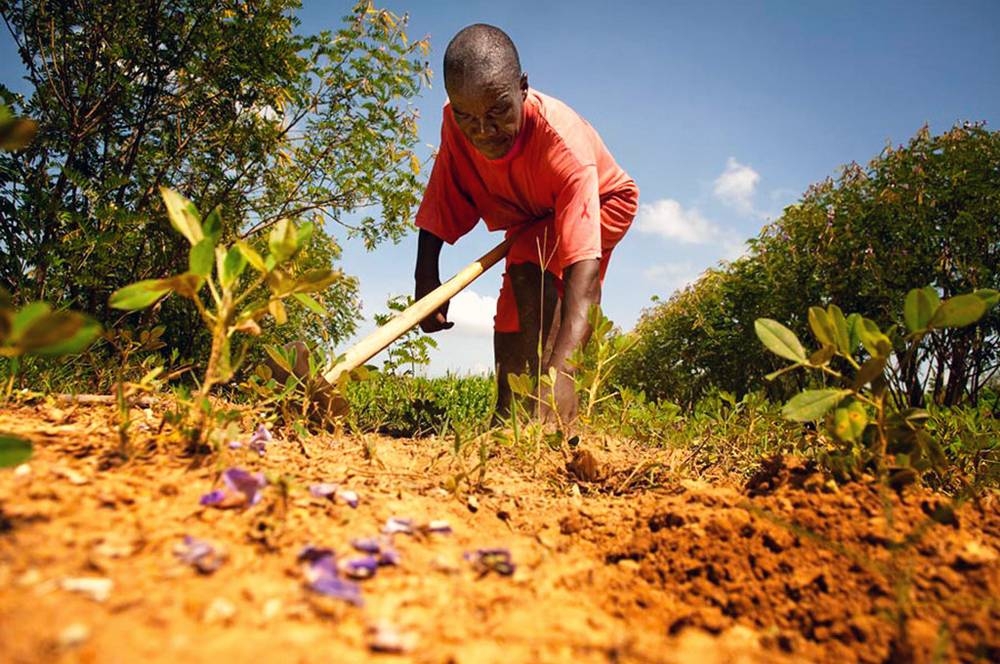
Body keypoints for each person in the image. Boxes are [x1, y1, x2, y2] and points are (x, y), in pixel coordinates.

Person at [414, 24, 639, 427]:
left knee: (532, 269)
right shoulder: (457, 121)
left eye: (498, 110)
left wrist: (565, 372)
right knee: (519, 284)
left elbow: (581, 274)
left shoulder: (563, 148)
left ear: (522, 87)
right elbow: (443, 191)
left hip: (602, 204)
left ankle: (553, 412)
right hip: (531, 210)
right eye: (468, 116)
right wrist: (426, 279)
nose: (482, 131)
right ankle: (511, 415)